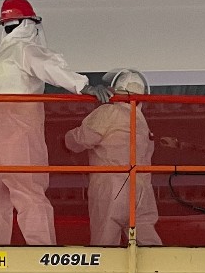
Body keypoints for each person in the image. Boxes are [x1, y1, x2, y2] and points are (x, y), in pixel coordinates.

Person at [0, 0, 110, 246]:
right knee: (28, 191)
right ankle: (42, 251)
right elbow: (50, 67)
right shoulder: (25, 50)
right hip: (17, 133)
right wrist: (84, 86)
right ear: (29, 23)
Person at [64, 68, 163, 247]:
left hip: (111, 187)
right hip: (141, 188)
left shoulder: (108, 112)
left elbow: (81, 139)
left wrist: (65, 139)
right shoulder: (141, 120)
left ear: (116, 89)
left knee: (105, 241)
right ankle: (160, 271)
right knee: (147, 241)